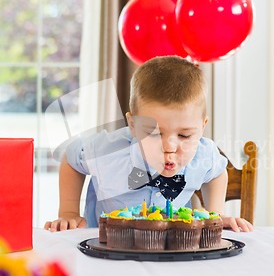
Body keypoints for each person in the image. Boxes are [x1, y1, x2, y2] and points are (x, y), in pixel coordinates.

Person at [45, 56, 253, 233]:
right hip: (107, 244)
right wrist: (68, 212)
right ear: (133, 125)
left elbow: (217, 172)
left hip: (170, 247)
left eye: (184, 135)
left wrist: (214, 215)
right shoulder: (108, 151)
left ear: (202, 126)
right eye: (154, 134)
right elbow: (71, 159)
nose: (170, 147)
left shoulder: (203, 154)